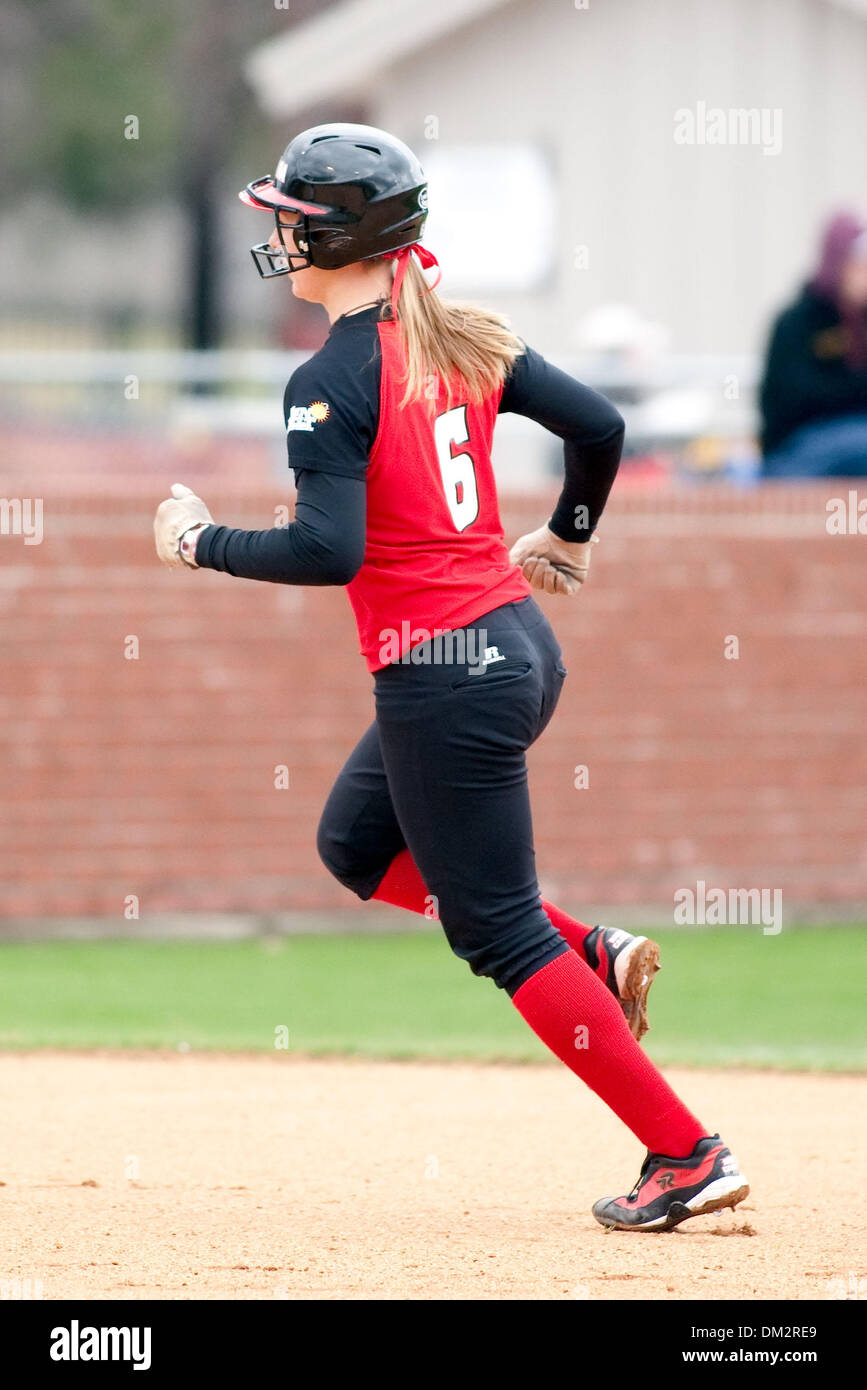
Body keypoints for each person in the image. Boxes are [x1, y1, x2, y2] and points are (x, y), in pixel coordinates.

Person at [154, 123, 748, 1231]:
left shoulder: (331, 374)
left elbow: (326, 551)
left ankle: (685, 1151)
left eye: (292, 214)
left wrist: (200, 543)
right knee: (354, 845)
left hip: (444, 671)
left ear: (342, 231)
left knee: (499, 931)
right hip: (513, 649)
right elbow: (601, 427)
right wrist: (568, 533)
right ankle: (594, 950)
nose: (279, 229)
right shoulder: (459, 340)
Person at [760, 211, 867, 476]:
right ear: (837, 263)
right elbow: (796, 396)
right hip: (797, 446)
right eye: (859, 264)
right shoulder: (798, 323)